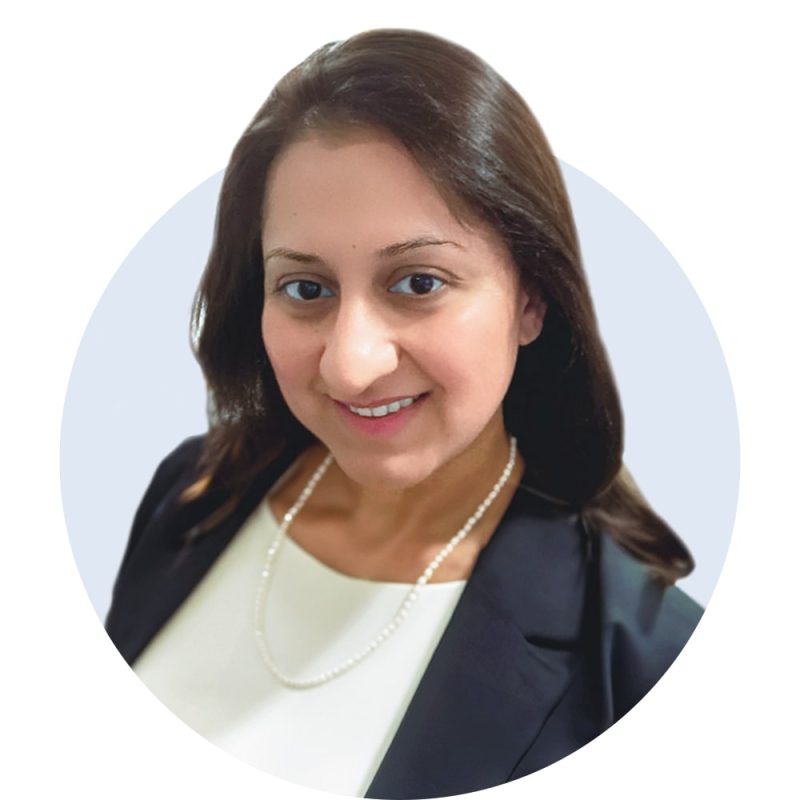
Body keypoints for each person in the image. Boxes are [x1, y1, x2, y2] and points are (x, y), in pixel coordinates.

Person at [105, 28, 703, 799]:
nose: (350, 364)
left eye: (419, 283)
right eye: (306, 290)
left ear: (531, 299)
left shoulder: (649, 670)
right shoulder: (191, 491)